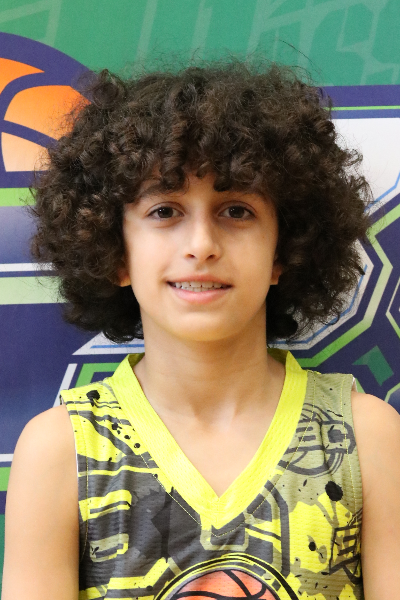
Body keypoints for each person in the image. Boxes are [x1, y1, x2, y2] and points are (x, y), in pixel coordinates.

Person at [2, 58, 400, 600]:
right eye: (165, 211)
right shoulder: (60, 451)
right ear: (115, 252)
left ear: (284, 250)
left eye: (235, 211)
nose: (202, 245)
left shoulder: (367, 438)